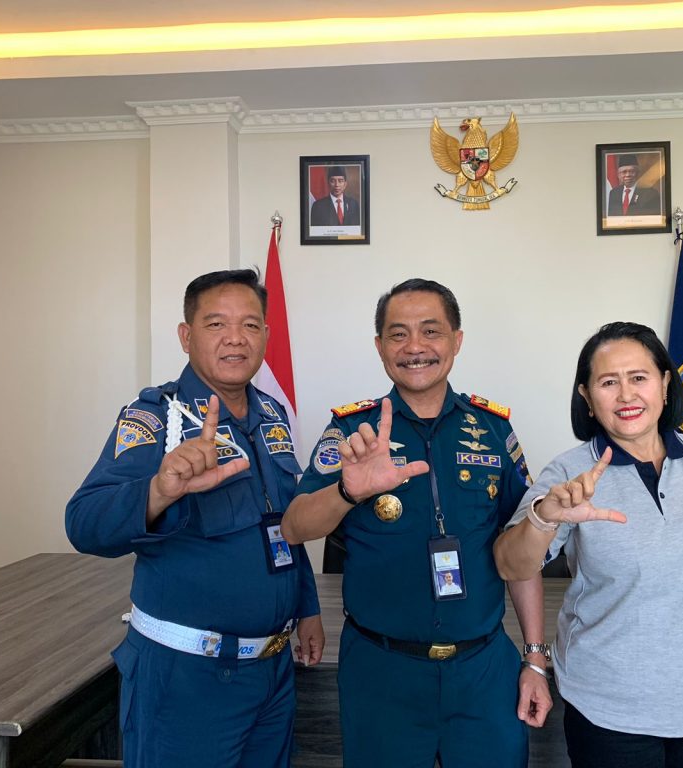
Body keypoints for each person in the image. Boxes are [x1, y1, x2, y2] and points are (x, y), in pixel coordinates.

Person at [281, 278, 553, 768]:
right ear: (379, 346)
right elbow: (294, 528)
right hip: (382, 671)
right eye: (398, 334)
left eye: (431, 331)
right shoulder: (353, 430)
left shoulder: (493, 429)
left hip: (483, 669)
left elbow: (521, 552)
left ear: (456, 340)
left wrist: (534, 656)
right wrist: (348, 491)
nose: (415, 347)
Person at [66, 268, 324, 768]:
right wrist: (158, 491)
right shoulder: (158, 418)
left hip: (271, 673)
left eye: (250, 325)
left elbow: (282, 525)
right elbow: (83, 523)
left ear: (266, 335)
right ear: (186, 336)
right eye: (216, 324)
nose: (235, 338)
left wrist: (306, 607)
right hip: (189, 677)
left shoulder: (272, 415)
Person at [493, 321, 683, 768]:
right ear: (587, 397)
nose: (626, 395)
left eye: (638, 377)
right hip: (609, 709)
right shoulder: (569, 473)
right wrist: (545, 516)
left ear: (664, 383)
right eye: (608, 382)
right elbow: (511, 565)